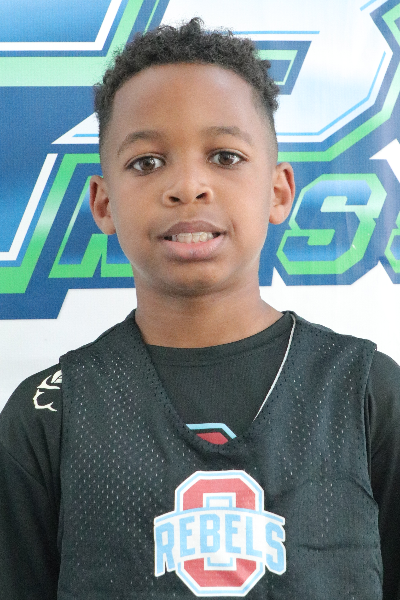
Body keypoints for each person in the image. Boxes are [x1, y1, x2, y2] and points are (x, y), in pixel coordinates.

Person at [1, 18, 399, 600]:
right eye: (147, 162)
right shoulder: (49, 414)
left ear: (279, 191)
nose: (188, 186)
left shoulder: (367, 394)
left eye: (225, 156)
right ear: (103, 203)